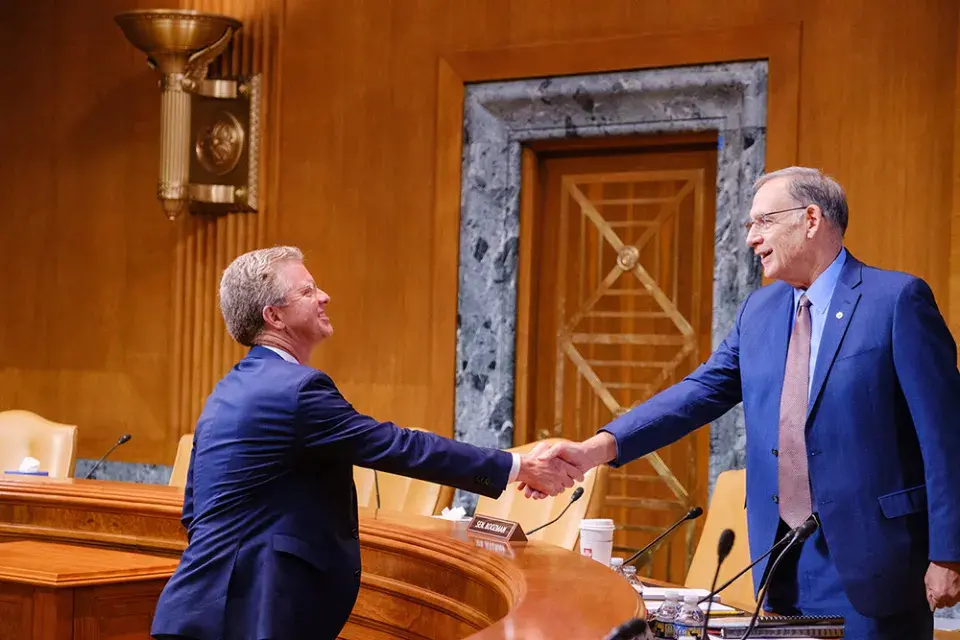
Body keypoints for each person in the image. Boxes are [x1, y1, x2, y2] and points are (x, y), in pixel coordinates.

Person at [531, 167, 960, 639]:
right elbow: (697, 393)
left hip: (877, 561)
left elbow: (946, 437)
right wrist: (597, 449)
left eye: (763, 222)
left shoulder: (895, 300)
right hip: (783, 556)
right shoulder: (760, 310)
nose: (752, 238)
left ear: (811, 218)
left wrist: (948, 552)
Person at [151, 246, 583, 640]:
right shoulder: (296, 391)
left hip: (198, 608)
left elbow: (194, 510)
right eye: (308, 291)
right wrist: (518, 467)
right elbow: (400, 447)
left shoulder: (227, 390)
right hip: (251, 618)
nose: (325, 297)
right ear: (274, 317)